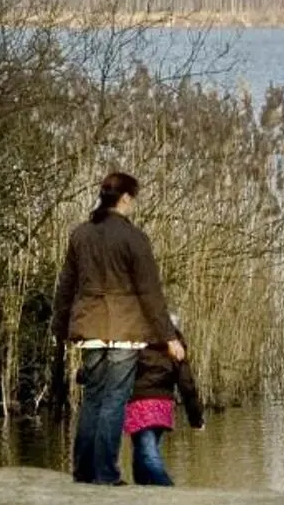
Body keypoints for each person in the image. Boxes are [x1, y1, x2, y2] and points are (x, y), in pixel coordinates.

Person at [51, 170, 181, 484]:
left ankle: (83, 470)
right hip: (124, 330)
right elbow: (150, 292)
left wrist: (60, 326)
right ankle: (106, 473)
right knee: (113, 400)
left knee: (93, 397)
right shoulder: (134, 238)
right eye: (133, 198)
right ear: (125, 198)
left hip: (88, 326)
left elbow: (66, 285)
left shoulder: (80, 234)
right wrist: (168, 336)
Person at [125, 316, 204, 487]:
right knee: (143, 450)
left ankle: (167, 488)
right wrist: (196, 418)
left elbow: (117, 368)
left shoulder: (135, 342)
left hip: (139, 404)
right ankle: (142, 490)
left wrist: (86, 376)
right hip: (162, 406)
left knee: (148, 453)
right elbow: (187, 385)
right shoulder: (175, 348)